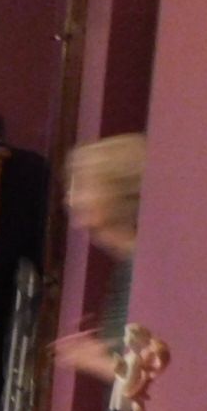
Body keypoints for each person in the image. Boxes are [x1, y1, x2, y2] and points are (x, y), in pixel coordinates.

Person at [52, 132, 146, 381]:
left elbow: (141, 381)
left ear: (117, 189)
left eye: (82, 185)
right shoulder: (128, 266)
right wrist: (102, 349)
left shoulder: (144, 271)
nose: (70, 198)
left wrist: (94, 360)